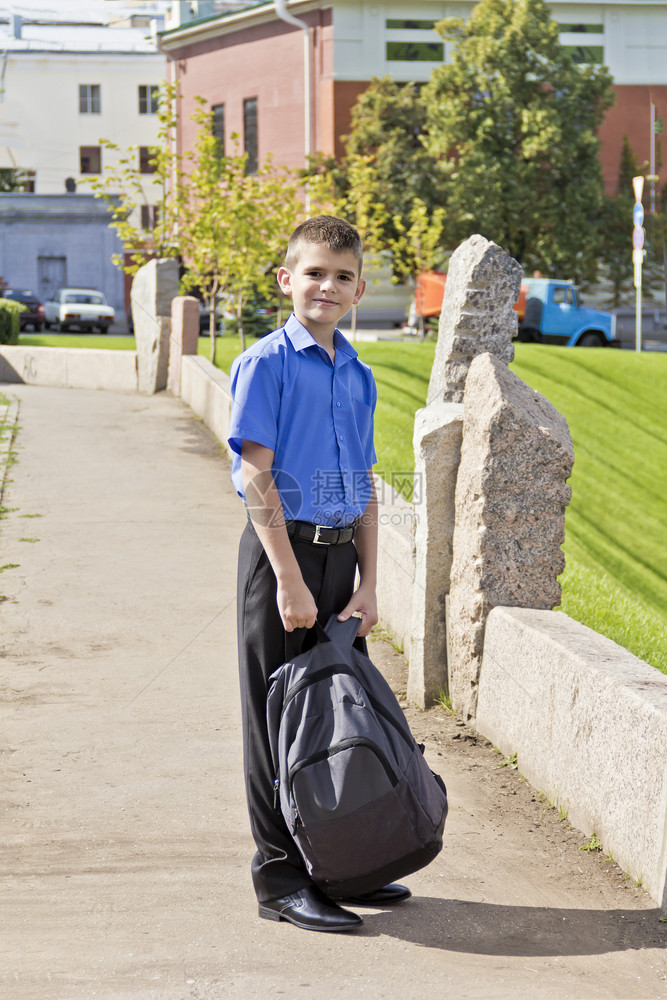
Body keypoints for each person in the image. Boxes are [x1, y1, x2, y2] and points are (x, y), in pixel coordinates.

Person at [228, 215, 411, 932]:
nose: (326, 287)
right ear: (286, 279)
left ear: (359, 289)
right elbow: (255, 477)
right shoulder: (265, 363)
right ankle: (280, 879)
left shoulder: (358, 373)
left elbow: (363, 480)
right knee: (275, 720)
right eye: (313, 272)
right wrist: (290, 580)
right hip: (282, 560)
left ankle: (335, 860)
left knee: (335, 711)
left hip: (340, 562)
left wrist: (368, 583)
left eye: (341, 277)